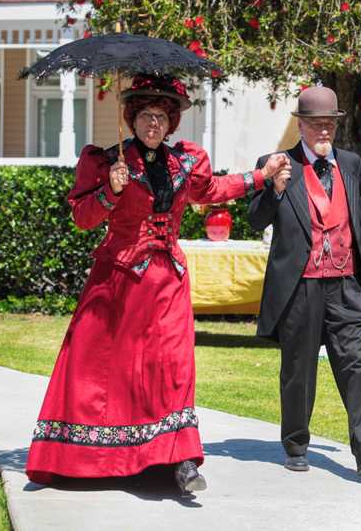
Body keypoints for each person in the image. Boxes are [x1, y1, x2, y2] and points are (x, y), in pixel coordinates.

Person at [25, 74, 289, 493]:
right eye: (147, 115)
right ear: (133, 118)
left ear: (171, 123)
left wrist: (260, 176)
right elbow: (82, 219)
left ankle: (181, 460)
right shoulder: (106, 161)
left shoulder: (184, 161)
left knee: (172, 367)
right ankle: (98, 459)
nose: (154, 125)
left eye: (162, 117)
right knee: (109, 374)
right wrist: (110, 193)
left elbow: (212, 189)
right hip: (118, 284)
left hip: (169, 282)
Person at [248, 86, 361, 477]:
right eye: (316, 124)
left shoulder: (349, 162)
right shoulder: (277, 163)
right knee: (299, 370)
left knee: (357, 365)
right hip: (300, 286)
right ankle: (296, 444)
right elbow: (254, 220)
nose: (324, 131)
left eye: (329, 124)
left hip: (345, 283)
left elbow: (355, 224)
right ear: (301, 125)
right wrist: (274, 190)